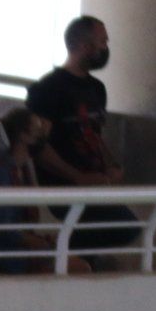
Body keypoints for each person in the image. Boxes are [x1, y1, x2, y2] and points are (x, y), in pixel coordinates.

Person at [26, 15, 138, 261]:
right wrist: (77, 177)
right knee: (124, 225)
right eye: (102, 42)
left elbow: (95, 135)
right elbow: (37, 145)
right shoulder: (47, 89)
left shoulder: (97, 89)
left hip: (95, 185)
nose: (106, 48)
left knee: (111, 233)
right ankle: (59, 254)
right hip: (64, 187)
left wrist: (111, 167)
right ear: (83, 45)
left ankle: (72, 261)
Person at [0, 109, 90, 275]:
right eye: (38, 126)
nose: (44, 130)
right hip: (10, 256)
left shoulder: (21, 170)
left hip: (20, 250)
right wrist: (40, 243)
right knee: (80, 269)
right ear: (24, 135)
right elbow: (4, 227)